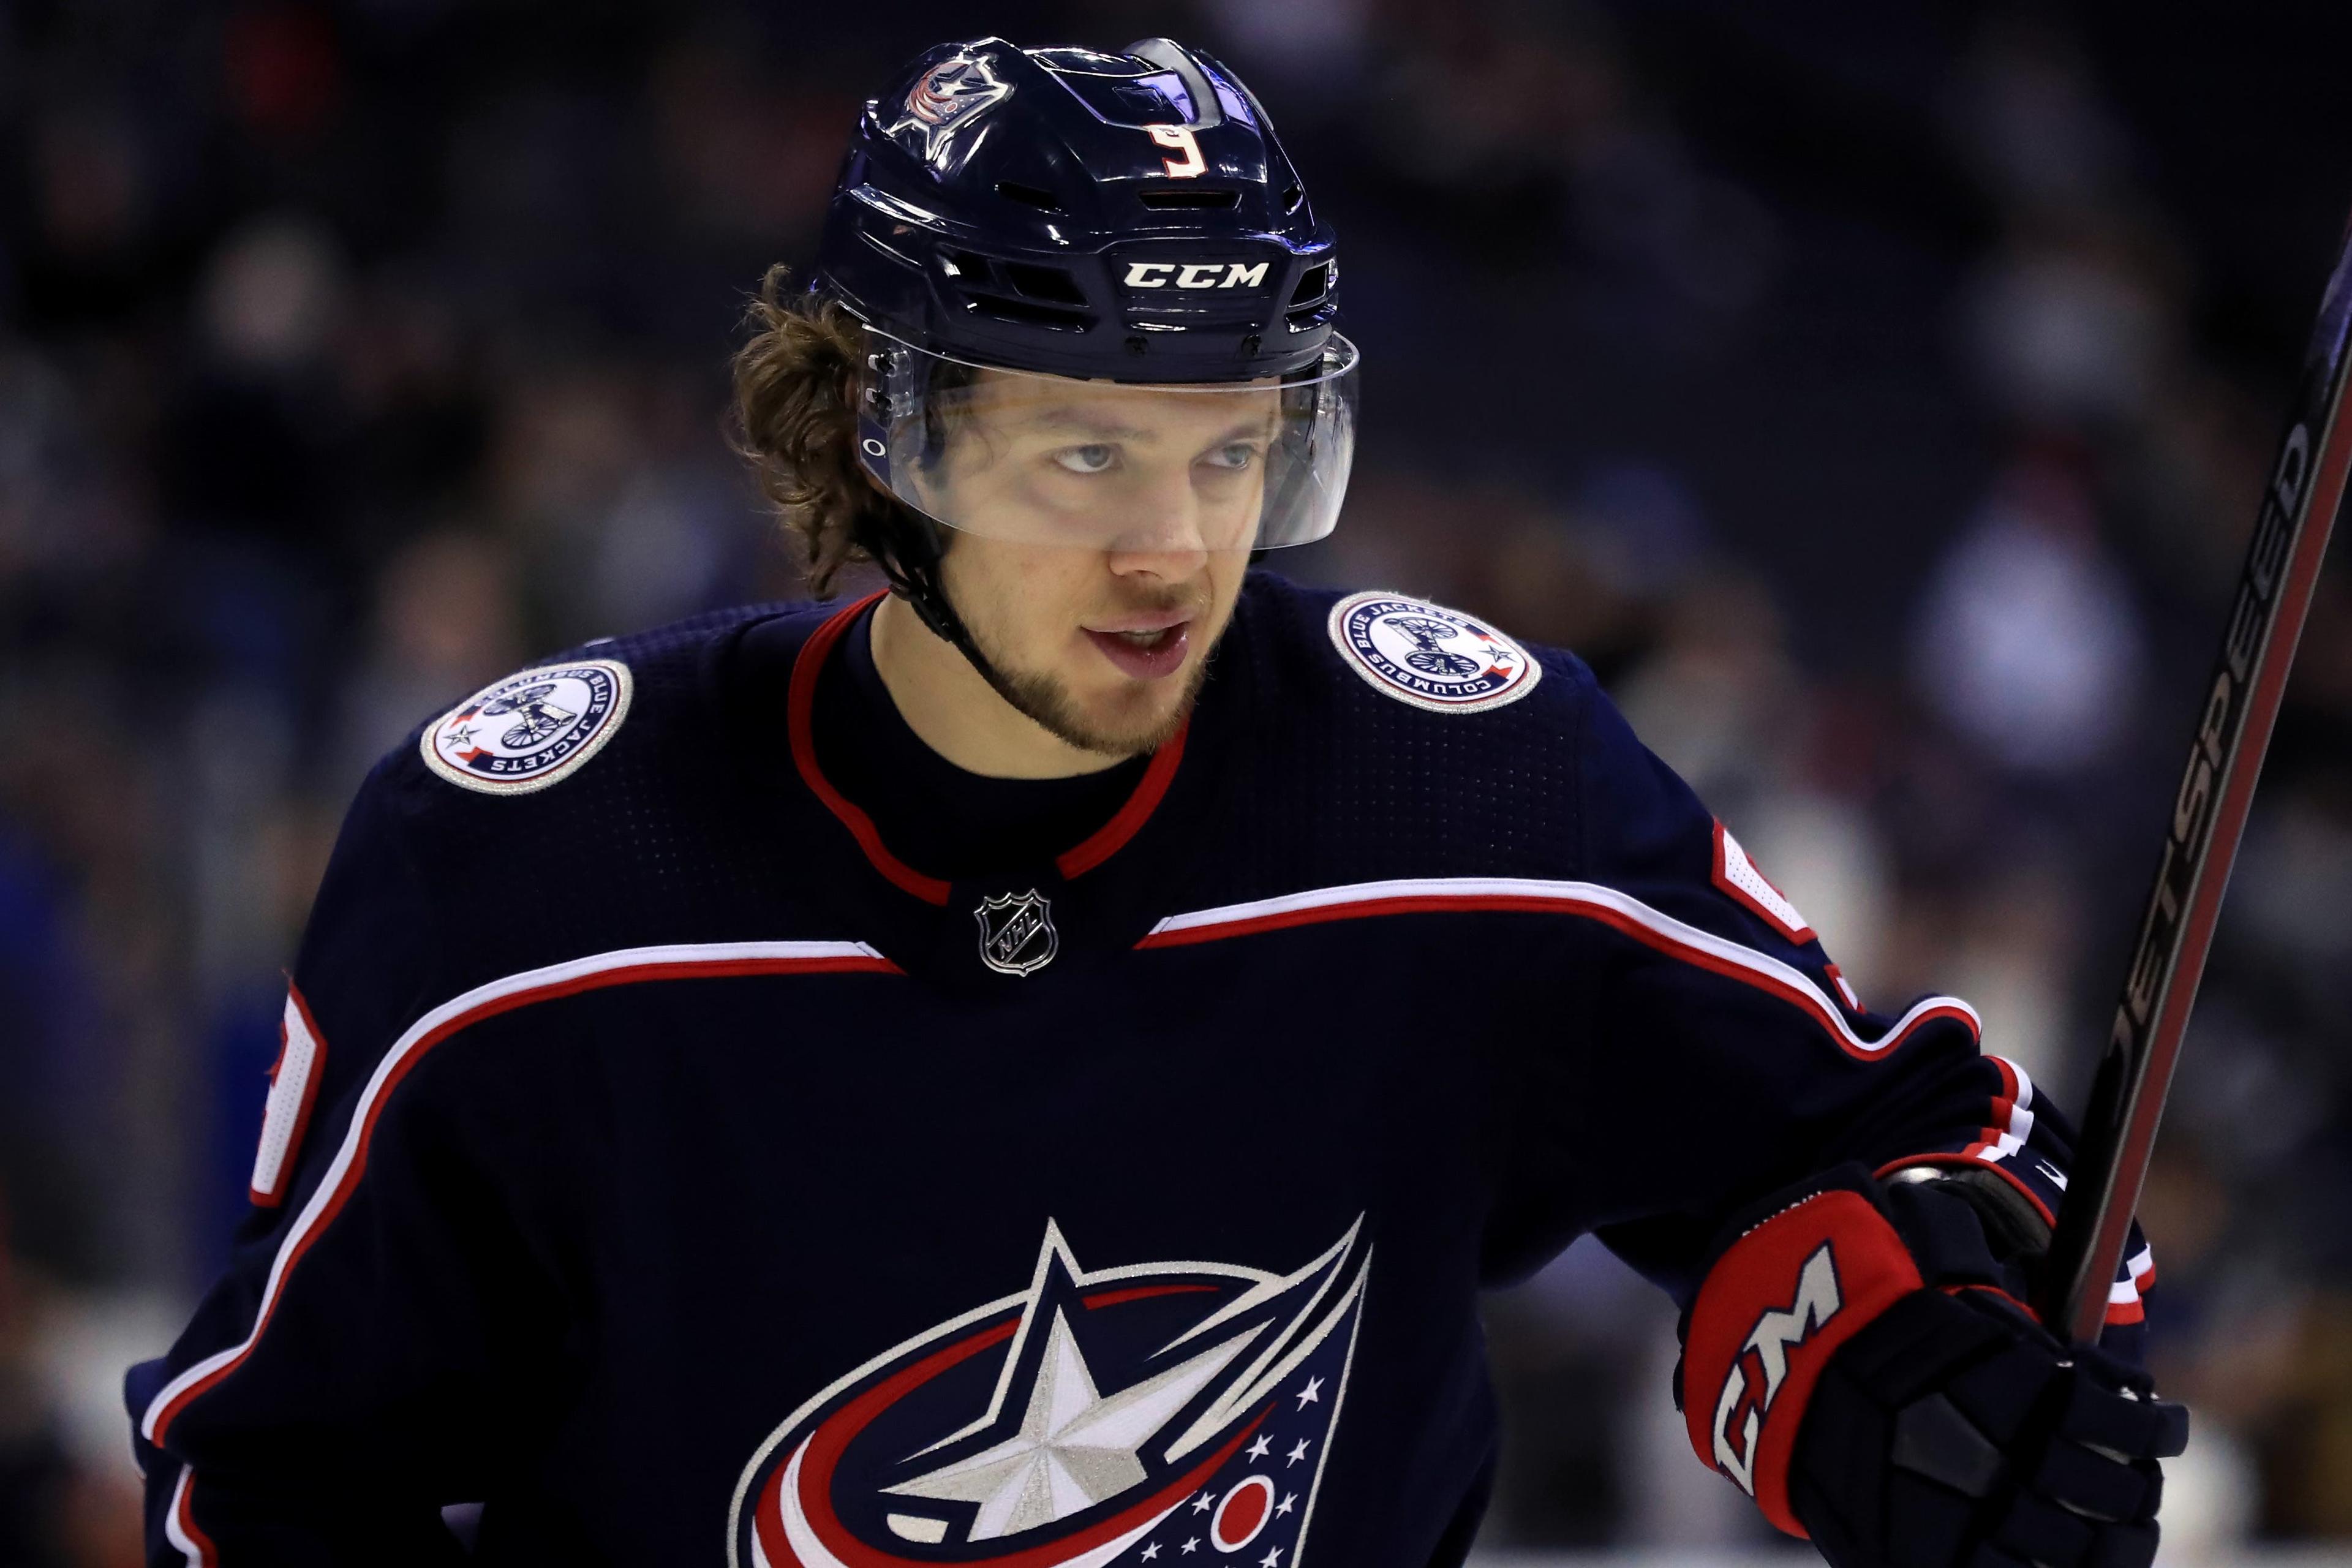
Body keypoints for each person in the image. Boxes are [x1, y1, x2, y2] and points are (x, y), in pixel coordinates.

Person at [126, 37, 2183, 1568]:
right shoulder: (535, 863)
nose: (1174, 554)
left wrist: (1903, 1375)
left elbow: (1905, 1144)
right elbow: (274, 1481)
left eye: (1228, 452)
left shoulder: (1466, 785)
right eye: (1085, 454)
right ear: (872, 430)